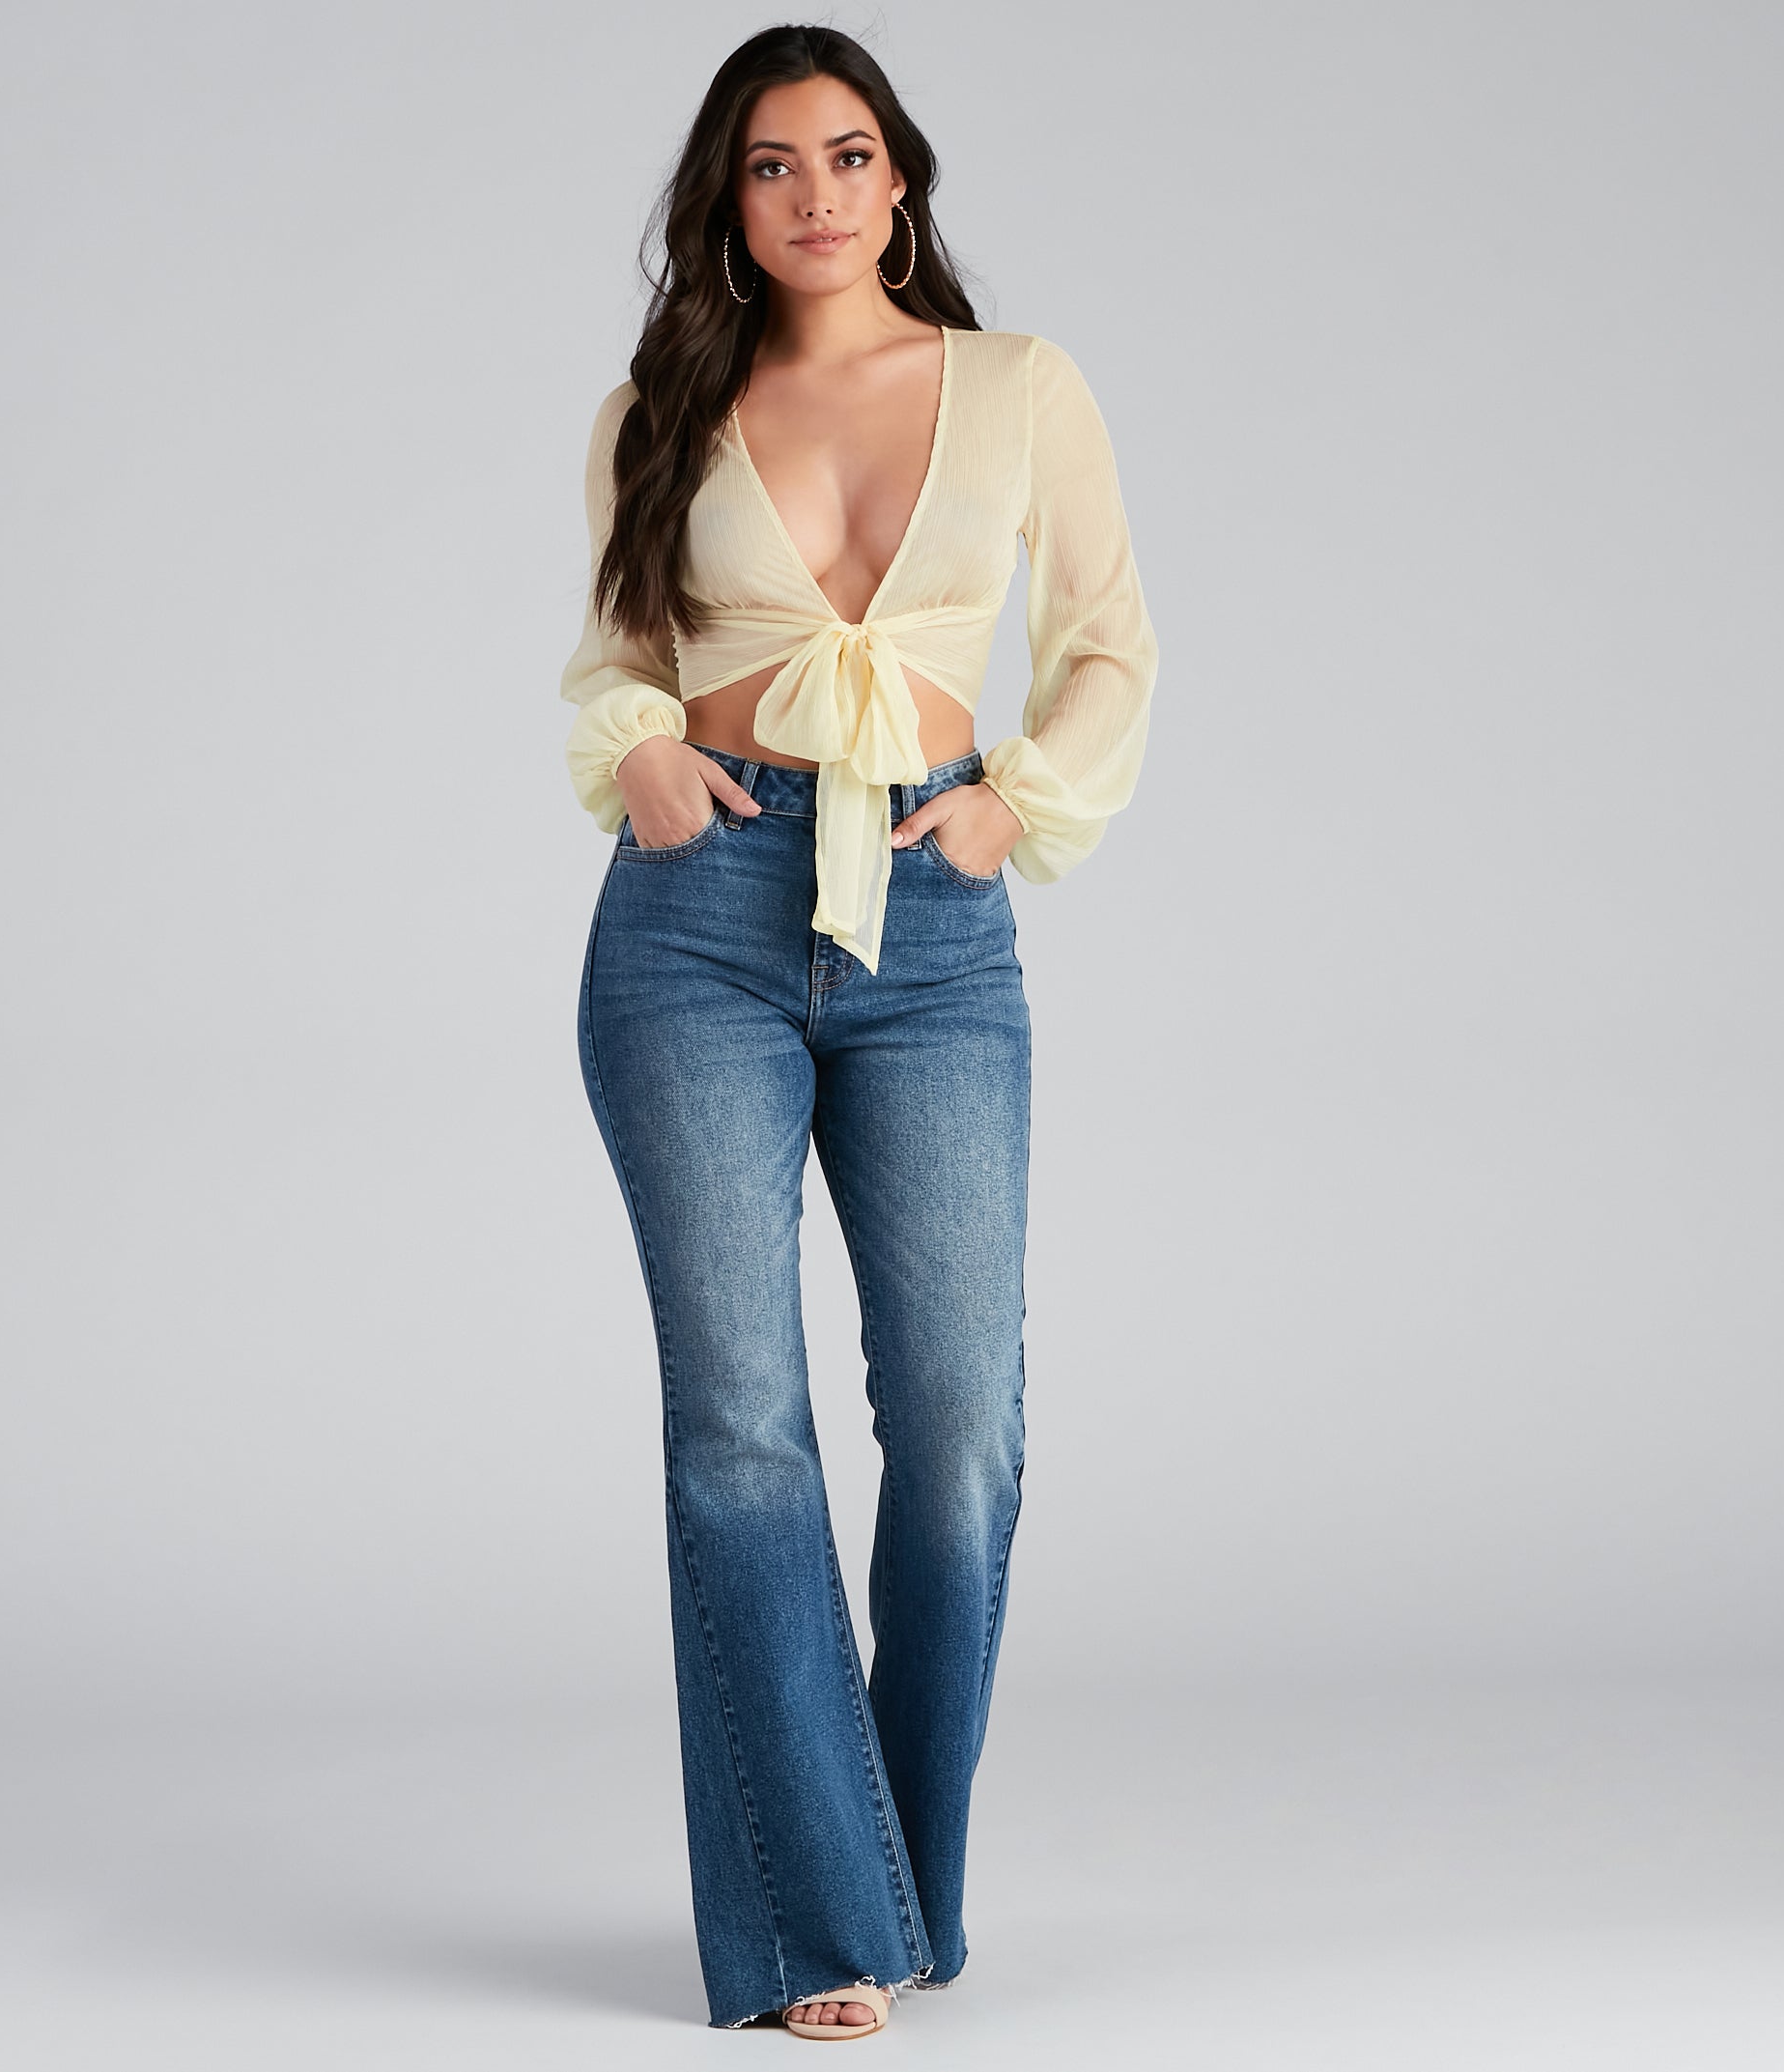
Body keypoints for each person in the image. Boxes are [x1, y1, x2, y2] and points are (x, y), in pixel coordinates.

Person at [560, 23, 1156, 2039]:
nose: (811, 193)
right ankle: (827, 1928)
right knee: (740, 1428)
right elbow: (614, 661)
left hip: (933, 921)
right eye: (768, 165)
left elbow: (1109, 644)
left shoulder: (1018, 389)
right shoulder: (660, 407)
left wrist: (1013, 808)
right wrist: (641, 752)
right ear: (726, 203)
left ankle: (882, 1880)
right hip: (697, 926)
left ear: (900, 178)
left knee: (963, 1431)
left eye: (844, 154)